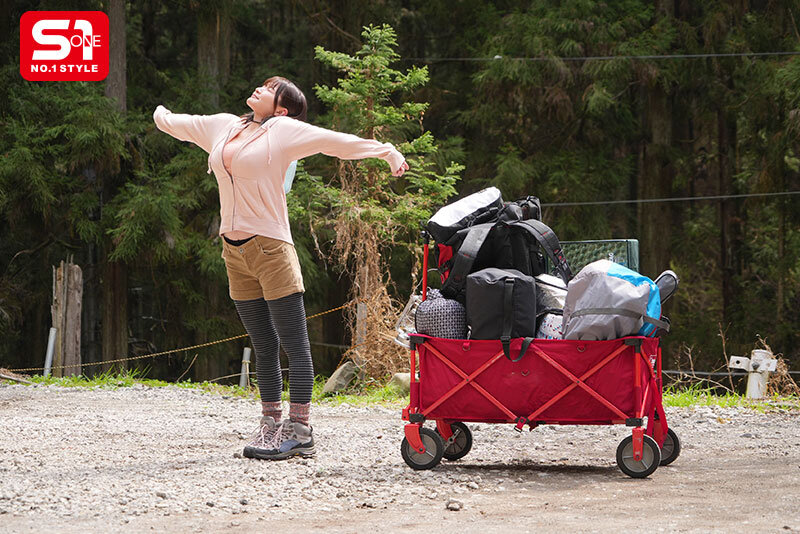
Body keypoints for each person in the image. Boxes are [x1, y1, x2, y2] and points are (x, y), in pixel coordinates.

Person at [153, 76, 408, 460]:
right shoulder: (226, 126)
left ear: (281, 109)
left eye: (271, 89)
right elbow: (184, 124)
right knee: (263, 343)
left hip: (272, 248)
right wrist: (161, 115)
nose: (259, 88)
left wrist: (386, 152)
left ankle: (301, 429)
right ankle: (271, 424)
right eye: (262, 84)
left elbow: (335, 142)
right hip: (234, 251)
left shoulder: (283, 131)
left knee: (293, 343)